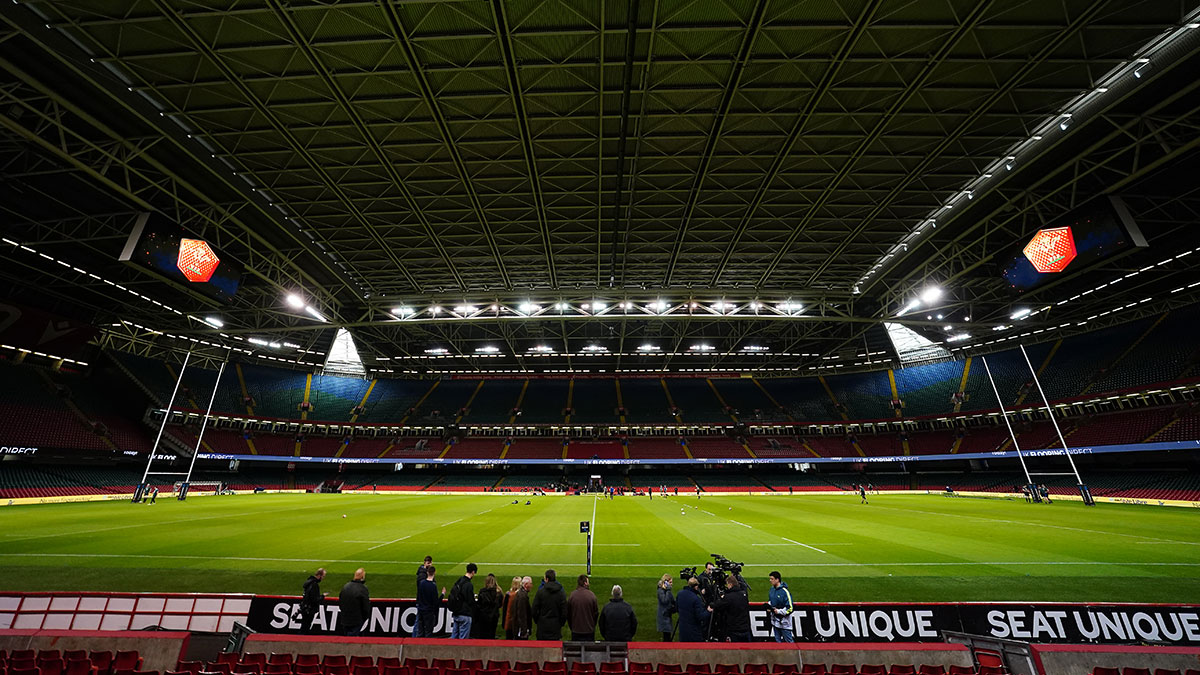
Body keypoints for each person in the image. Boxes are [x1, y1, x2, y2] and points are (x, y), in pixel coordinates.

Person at [710, 575, 751, 642]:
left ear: (730, 584)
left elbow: (718, 606)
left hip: (734, 628)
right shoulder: (743, 594)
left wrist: (712, 604)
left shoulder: (728, 597)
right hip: (745, 626)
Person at [531, 569, 567, 640]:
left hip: (543, 626)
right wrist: (561, 623)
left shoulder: (540, 592)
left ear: (547, 579)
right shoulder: (561, 593)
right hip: (555, 626)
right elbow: (564, 611)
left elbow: (534, 609)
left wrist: (538, 621)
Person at [447, 562, 478, 638]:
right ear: (473, 572)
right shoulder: (468, 584)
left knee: (454, 637)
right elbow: (470, 601)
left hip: (456, 612)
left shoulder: (459, 581)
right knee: (463, 640)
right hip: (465, 614)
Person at [415, 565, 446, 638]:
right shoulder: (433, 586)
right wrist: (442, 594)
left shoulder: (422, 583)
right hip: (429, 612)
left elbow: (419, 597)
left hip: (421, 610)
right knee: (428, 632)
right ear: (434, 573)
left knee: (420, 631)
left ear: (427, 572)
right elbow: (436, 602)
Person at [338, 568, 370, 636]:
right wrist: (365, 617)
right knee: (352, 640)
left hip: (345, 618)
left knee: (347, 637)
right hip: (356, 619)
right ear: (362, 577)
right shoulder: (362, 589)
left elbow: (340, 602)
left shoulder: (346, 586)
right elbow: (365, 607)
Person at [675, 577, 709, 642]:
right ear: (696, 587)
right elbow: (700, 616)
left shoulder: (680, 594)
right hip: (694, 631)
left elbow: (677, 608)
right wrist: (708, 611)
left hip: (682, 629)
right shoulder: (696, 599)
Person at [567, 574, 599, 641]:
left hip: (576, 630)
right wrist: (592, 626)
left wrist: (572, 627)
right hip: (589, 630)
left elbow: (568, 614)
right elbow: (596, 614)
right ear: (585, 583)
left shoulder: (572, 596)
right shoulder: (591, 596)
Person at [472, 573, 504, 639]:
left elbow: (479, 604)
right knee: (492, 633)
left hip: (484, 616)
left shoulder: (482, 592)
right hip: (494, 616)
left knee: (483, 634)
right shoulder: (498, 592)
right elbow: (500, 604)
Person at [767, 571, 794, 643]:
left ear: (777, 579)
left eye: (772, 579)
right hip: (775, 621)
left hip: (785, 623)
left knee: (789, 641)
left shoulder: (785, 591)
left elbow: (790, 608)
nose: (770, 581)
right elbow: (770, 601)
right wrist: (769, 607)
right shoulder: (772, 590)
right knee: (778, 642)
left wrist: (779, 611)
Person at [298, 567, 325, 635]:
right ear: (319, 576)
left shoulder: (309, 582)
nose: (323, 578)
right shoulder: (314, 585)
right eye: (323, 576)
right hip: (309, 609)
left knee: (304, 626)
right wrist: (323, 596)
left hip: (305, 607)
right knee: (306, 627)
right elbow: (314, 599)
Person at [656, 574, 677, 641]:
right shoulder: (661, 591)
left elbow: (673, 601)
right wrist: (668, 591)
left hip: (667, 614)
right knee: (666, 635)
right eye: (670, 582)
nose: (672, 584)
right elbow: (664, 601)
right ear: (665, 582)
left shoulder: (666, 591)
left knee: (668, 634)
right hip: (663, 615)